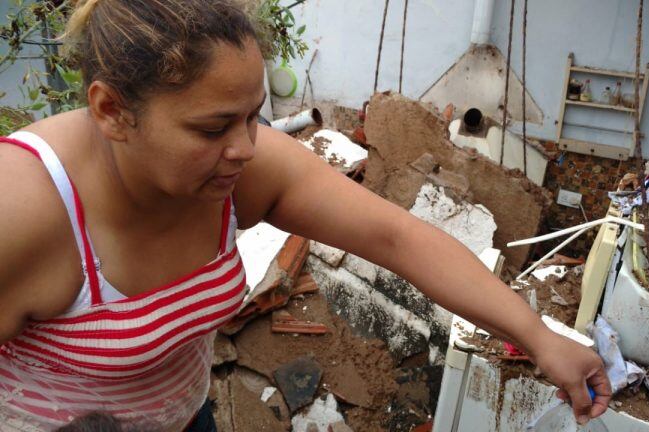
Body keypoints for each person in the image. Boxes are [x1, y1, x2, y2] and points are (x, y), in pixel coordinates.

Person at [0, 0, 611, 430]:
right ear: (111, 111)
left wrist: (535, 335)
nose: (246, 146)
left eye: (253, 115)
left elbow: (393, 236)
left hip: (188, 418)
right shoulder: (25, 212)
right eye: (213, 127)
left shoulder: (241, 166)